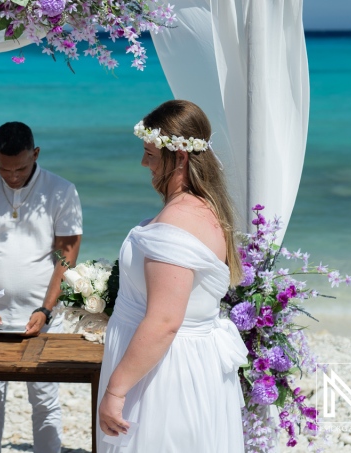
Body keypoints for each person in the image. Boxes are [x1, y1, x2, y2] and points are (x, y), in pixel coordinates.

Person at [97, 100, 247, 452]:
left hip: (162, 376)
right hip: (189, 366)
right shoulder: (207, 208)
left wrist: (116, 391)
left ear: (179, 157)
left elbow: (164, 320)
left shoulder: (176, 222)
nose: (144, 163)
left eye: (150, 153)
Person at [0, 121, 82, 453]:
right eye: (4, 168)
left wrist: (46, 308)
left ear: (36, 154)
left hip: (43, 316)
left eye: (21, 168)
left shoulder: (61, 190)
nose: (12, 176)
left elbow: (65, 256)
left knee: (43, 397)